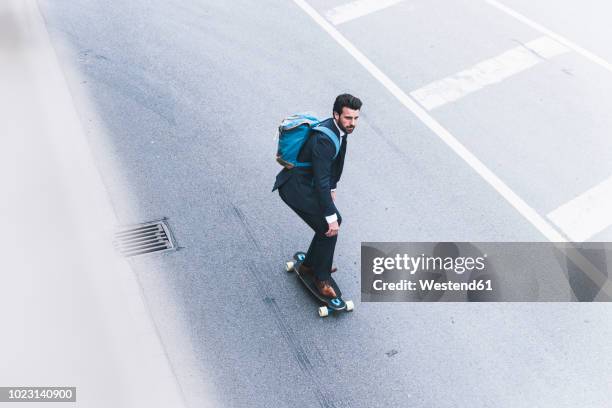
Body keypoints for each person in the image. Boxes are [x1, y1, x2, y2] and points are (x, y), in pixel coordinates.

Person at [273, 94, 362, 297]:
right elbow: (321, 180)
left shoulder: (339, 129)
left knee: (329, 224)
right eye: (348, 118)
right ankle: (321, 278)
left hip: (307, 184)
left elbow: (334, 165)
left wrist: (333, 188)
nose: (352, 123)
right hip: (295, 188)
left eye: (356, 118)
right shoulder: (324, 140)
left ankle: (310, 265)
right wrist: (330, 216)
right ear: (336, 114)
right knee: (330, 225)